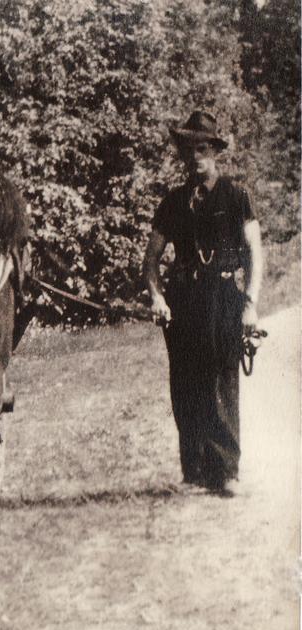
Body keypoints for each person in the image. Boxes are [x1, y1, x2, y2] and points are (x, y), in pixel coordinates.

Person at [144, 110, 264, 498]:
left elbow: (255, 255)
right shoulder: (173, 202)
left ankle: (226, 471)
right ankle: (194, 470)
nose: (195, 156)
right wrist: (157, 297)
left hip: (226, 299)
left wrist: (251, 304)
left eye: (202, 148)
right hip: (183, 303)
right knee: (186, 384)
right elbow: (150, 261)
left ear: (214, 151)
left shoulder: (236, 196)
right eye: (188, 150)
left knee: (222, 382)